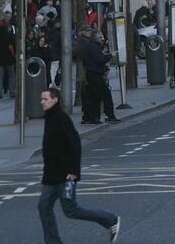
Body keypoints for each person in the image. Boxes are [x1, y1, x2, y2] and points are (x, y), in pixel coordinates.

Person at [37, 88, 121, 244]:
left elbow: (75, 145)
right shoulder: (50, 118)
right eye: (42, 99)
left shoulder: (62, 119)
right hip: (50, 177)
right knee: (43, 206)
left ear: (55, 100)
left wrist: (74, 172)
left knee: (71, 210)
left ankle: (110, 219)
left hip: (65, 176)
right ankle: (53, 241)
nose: (42, 102)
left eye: (45, 99)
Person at [81, 32, 119, 124]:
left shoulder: (93, 46)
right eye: (100, 37)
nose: (102, 38)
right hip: (95, 75)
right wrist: (111, 55)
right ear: (96, 38)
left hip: (92, 74)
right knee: (104, 94)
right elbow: (99, 59)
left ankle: (89, 117)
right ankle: (108, 116)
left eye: (102, 36)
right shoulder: (93, 47)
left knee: (93, 96)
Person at [0, 23, 16, 99]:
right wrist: (14, 55)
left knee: (0, 77)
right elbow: (11, 47)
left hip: (0, 60)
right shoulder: (9, 37)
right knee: (11, 76)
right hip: (9, 59)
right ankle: (12, 92)